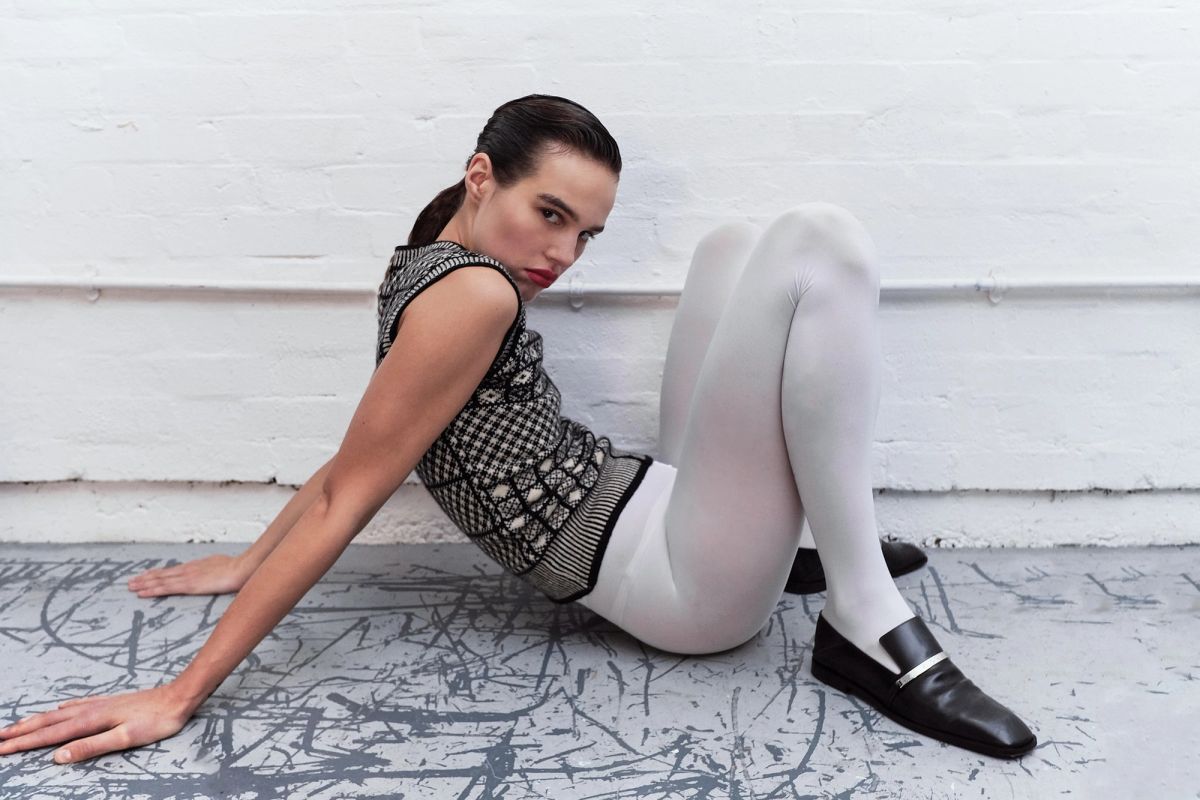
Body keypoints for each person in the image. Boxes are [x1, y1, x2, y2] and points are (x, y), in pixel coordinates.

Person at [0, 94, 1035, 765]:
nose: (566, 251)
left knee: (734, 247)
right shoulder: (475, 296)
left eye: (585, 232)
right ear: (482, 171)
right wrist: (181, 693)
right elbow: (352, 488)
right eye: (551, 212)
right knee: (822, 243)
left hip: (653, 501)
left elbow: (367, 443)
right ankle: (862, 610)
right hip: (684, 593)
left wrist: (245, 554)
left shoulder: (428, 264)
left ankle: (816, 553)